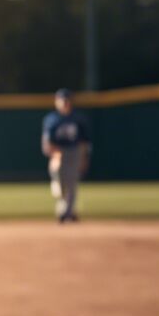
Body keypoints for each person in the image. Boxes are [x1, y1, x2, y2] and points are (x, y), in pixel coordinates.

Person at [42, 88, 91, 223]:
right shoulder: (52, 119)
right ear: (57, 102)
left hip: (74, 151)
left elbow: (84, 141)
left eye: (67, 100)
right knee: (60, 183)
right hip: (58, 151)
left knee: (72, 183)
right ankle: (65, 207)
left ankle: (67, 212)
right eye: (62, 100)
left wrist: (83, 157)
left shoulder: (78, 118)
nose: (65, 103)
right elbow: (47, 141)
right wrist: (53, 154)